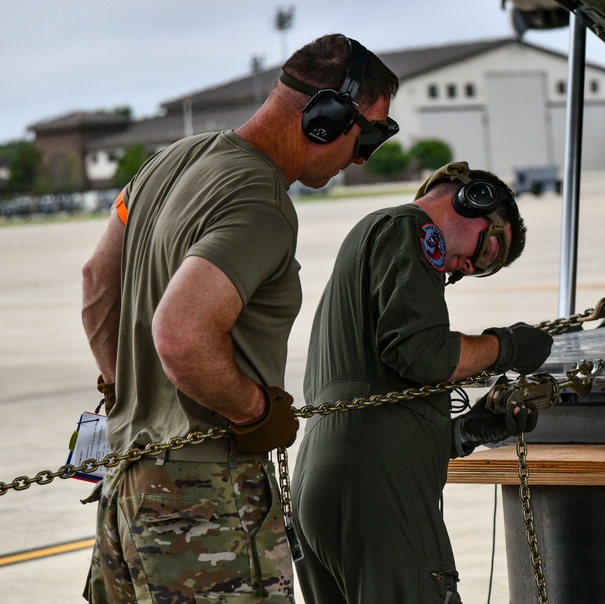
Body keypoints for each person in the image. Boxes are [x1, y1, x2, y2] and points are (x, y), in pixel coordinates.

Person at [79, 33, 399, 603]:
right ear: (325, 118)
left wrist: (130, 395)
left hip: (128, 481)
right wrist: (255, 414)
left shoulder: (171, 162)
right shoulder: (261, 201)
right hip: (204, 497)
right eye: (368, 136)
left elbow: (97, 283)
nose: (360, 157)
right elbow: (181, 334)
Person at [291, 161, 553, 603]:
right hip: (378, 495)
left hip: (324, 488)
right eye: (487, 252)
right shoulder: (409, 230)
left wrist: (466, 431)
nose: (469, 268)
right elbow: (422, 353)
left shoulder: (374, 240)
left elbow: (379, 401)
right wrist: (505, 346)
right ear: (476, 202)